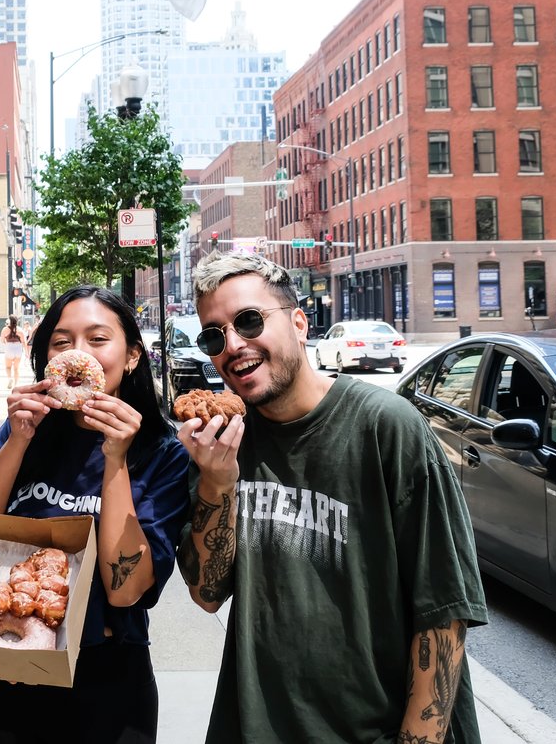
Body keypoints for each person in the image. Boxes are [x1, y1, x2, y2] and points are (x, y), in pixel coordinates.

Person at [175, 252, 487, 744]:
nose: (232, 345)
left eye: (250, 321)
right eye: (214, 336)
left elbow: (444, 612)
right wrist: (217, 481)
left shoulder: (387, 427)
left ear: (299, 324)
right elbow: (206, 594)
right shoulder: (222, 442)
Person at [0, 286, 191, 744]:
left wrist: (116, 459)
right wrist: (18, 440)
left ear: (132, 356)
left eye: (98, 339)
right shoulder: (27, 428)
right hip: (8, 662)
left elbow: (126, 591)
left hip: (108, 677)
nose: (77, 353)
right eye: (61, 342)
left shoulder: (162, 452)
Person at [0, 314, 27, 389]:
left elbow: (2, 340)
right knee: (16, 368)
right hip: (18, 348)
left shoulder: (5, 329)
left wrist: (6, 342)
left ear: (9, 321)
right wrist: (27, 353)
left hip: (9, 347)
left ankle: (10, 379)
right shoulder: (20, 330)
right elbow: (24, 342)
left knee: (8, 367)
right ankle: (16, 384)